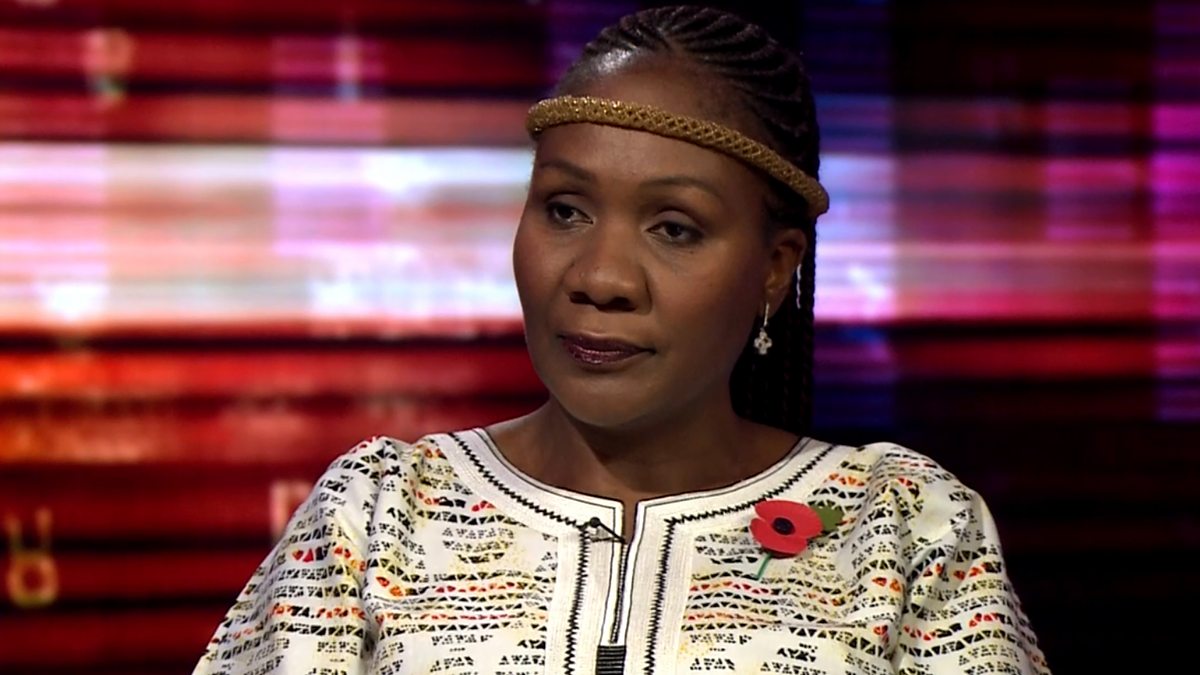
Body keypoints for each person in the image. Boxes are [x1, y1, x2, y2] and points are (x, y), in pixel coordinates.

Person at [192, 5, 1050, 674]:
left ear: (773, 268)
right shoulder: (379, 513)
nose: (601, 277)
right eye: (565, 210)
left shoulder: (902, 528)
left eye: (675, 228)